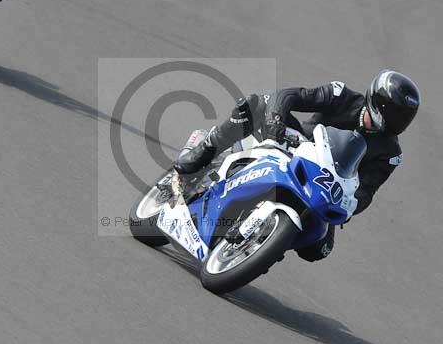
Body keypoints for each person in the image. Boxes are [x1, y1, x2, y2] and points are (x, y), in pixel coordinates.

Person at [174, 70, 421, 262]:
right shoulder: (342, 96)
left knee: (318, 249)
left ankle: (266, 242)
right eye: (396, 113)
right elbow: (289, 96)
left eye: (405, 117)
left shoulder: (390, 153)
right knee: (254, 104)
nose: (399, 122)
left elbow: (367, 191)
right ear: (378, 103)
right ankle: (202, 150)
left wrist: (351, 204)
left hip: (327, 185)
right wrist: (275, 125)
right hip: (295, 145)